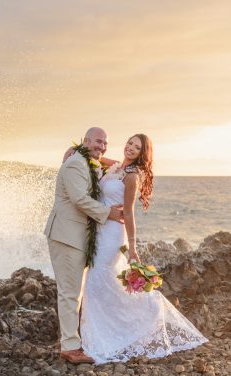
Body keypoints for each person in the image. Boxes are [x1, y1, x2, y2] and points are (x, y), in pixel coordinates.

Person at [73, 134, 208, 364]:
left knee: (98, 278)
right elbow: (95, 155)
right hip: (99, 229)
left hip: (113, 233)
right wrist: (76, 150)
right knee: (99, 281)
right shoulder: (116, 166)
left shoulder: (132, 176)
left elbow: (129, 212)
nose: (130, 148)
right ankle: (96, 333)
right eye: (130, 143)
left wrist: (133, 247)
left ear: (142, 154)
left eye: (137, 147)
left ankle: (146, 313)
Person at [44, 127, 124, 364]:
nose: (102, 146)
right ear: (85, 140)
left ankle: (72, 341)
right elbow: (79, 199)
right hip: (66, 235)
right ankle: (70, 347)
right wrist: (108, 213)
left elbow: (115, 163)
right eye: (98, 141)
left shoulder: (85, 161)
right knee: (69, 293)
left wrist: (91, 151)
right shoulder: (75, 164)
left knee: (74, 291)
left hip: (75, 235)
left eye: (105, 143)